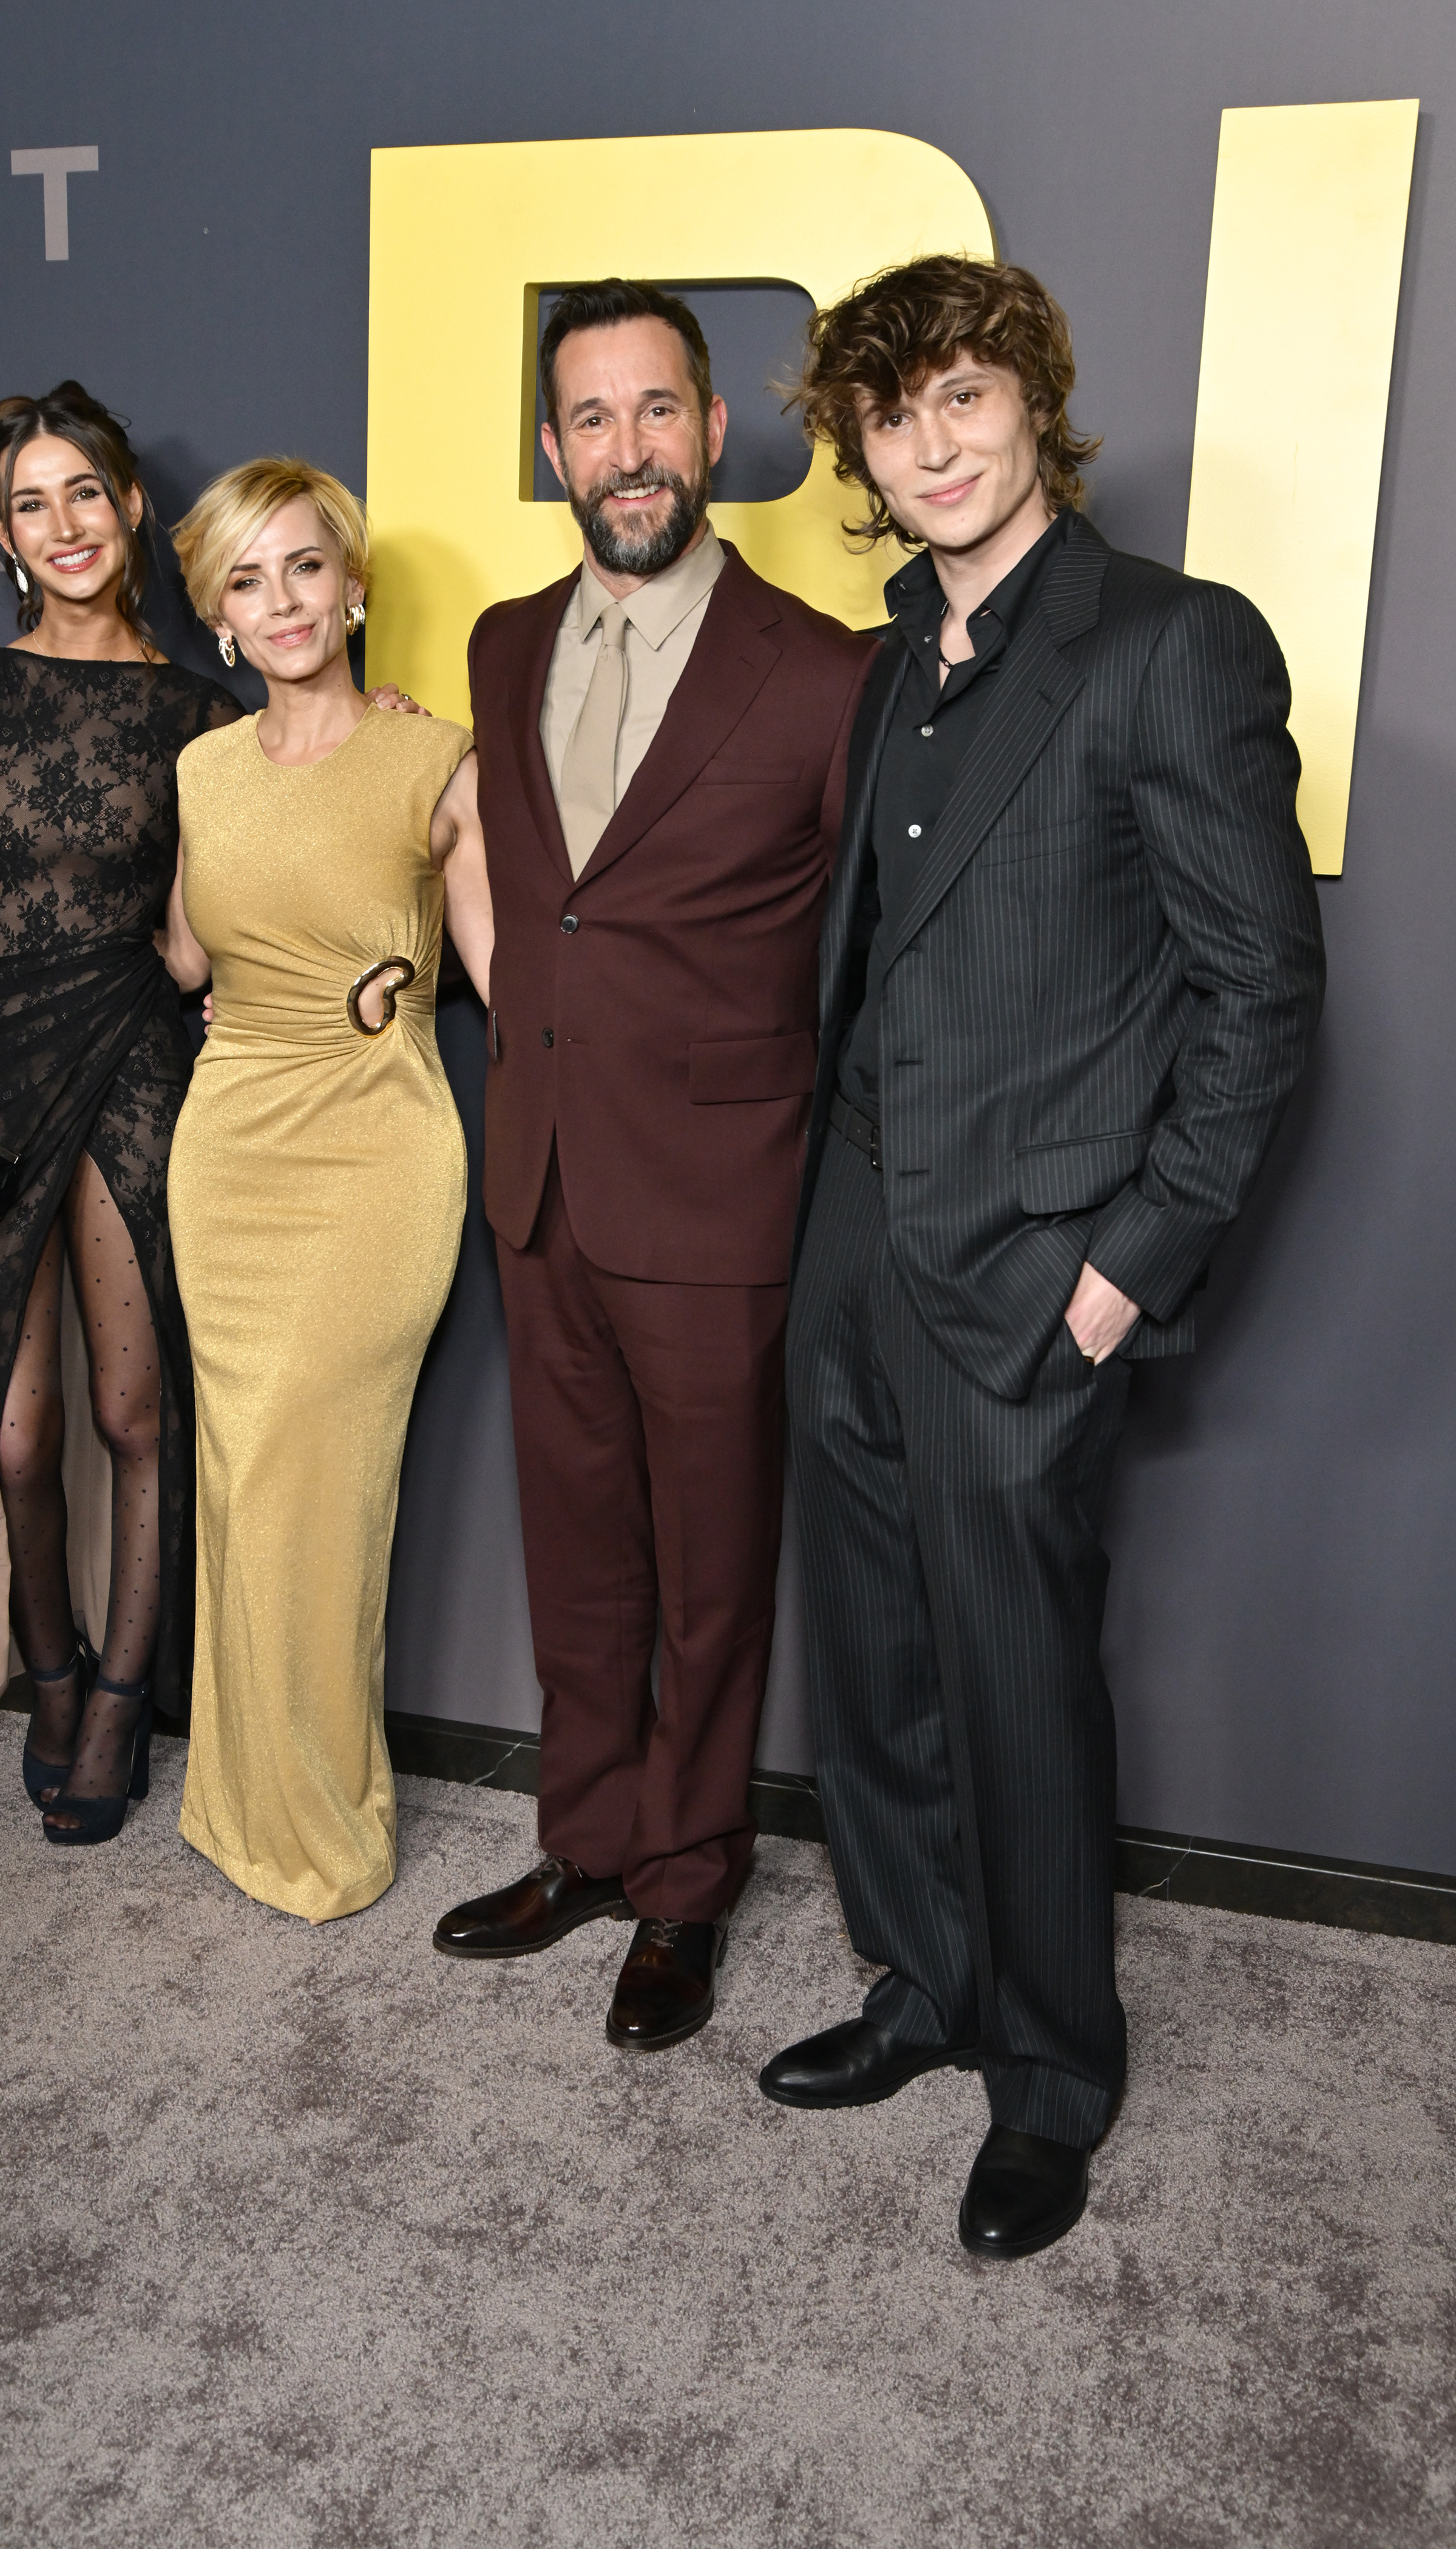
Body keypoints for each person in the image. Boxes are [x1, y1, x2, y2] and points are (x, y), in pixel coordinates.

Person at [760, 256, 1326, 2256]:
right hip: (848, 1246)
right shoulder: (877, 663)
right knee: (874, 1662)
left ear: (1032, 406)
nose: (924, 444)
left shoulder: (1165, 646)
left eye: (957, 398)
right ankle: (918, 1988)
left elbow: (1259, 995)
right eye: (884, 415)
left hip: (1030, 1268)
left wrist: (1122, 1268)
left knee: (1009, 1679)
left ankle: (1049, 2077)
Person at [433, 282, 876, 2048]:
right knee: (579, 1551)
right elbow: (523, 888)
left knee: (706, 1571)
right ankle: (589, 1838)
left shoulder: (827, 675)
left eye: (655, 411)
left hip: (718, 1203)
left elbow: (868, 953)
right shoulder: (495, 639)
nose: (626, 450)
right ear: (553, 451)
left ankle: (686, 1884)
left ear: (713, 432)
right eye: (589, 420)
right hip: (536, 1177)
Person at [0, 380, 243, 1844]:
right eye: (32, 502)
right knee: (18, 1435)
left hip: (138, 1059)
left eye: (86, 491)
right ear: (4, 534)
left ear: (131, 505)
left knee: (133, 1411)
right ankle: (53, 1664)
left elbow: (236, 909)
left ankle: (127, 1694)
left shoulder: (206, 713)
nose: (65, 524)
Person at [164, 460, 492, 1922]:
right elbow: (187, 955)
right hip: (227, 1156)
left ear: (354, 587)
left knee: (319, 1480)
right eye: (247, 581)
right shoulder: (202, 771)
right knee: (241, 1478)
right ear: (218, 617)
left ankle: (325, 1829)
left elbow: (510, 980)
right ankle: (236, 1800)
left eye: (305, 567)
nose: (282, 601)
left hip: (373, 1155)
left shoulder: (437, 760)